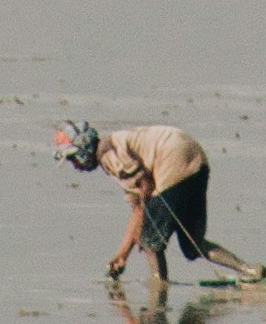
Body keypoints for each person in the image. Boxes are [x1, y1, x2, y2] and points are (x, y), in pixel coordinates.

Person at [54, 119, 222, 287]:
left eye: (73, 158)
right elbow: (138, 209)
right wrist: (122, 255)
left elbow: (146, 186)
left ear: (84, 148)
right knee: (193, 245)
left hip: (172, 157)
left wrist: (144, 233)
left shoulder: (108, 154)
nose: (75, 165)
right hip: (193, 156)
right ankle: (248, 272)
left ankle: (159, 288)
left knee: (150, 241)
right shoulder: (114, 148)